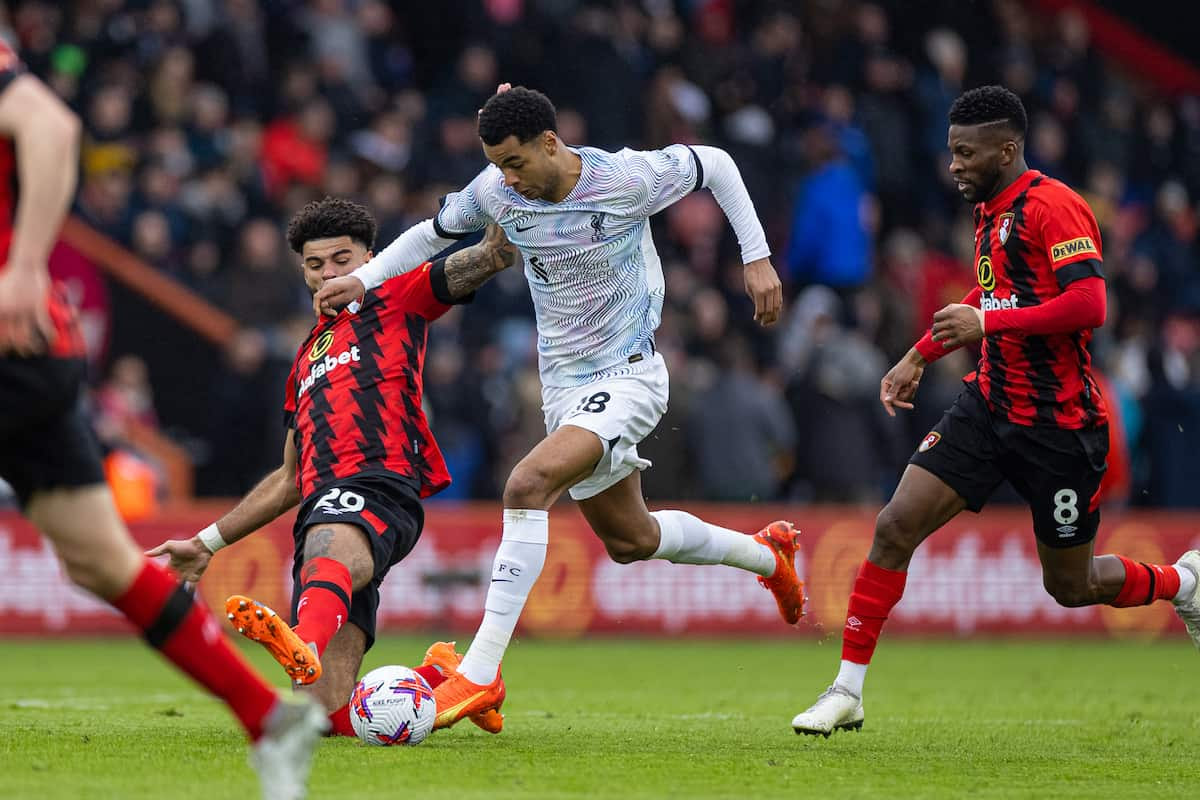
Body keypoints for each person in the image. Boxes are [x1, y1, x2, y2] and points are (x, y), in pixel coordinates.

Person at [316, 85, 805, 731]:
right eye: (496, 164)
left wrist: (757, 257)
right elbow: (429, 235)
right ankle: (769, 557)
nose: (506, 177)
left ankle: (480, 675)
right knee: (631, 538)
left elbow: (715, 162)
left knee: (527, 482)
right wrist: (365, 278)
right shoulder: (497, 191)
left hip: (629, 376)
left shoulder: (626, 177)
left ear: (552, 143)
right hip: (566, 390)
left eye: (515, 162)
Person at [790, 85, 1200, 737]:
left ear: (1006, 150)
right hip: (987, 407)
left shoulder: (1055, 206)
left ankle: (1179, 582)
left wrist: (990, 319)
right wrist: (918, 355)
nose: (952, 165)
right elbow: (989, 307)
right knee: (895, 526)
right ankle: (847, 689)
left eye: (964, 153)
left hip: (1059, 427)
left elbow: (1091, 305)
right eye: (951, 152)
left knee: (1070, 585)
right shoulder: (988, 213)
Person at [0, 40, 325, 800]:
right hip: (32, 349)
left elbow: (51, 127)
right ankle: (269, 719)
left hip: (12, 337)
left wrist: (22, 266)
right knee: (102, 562)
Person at [148, 198, 514, 736]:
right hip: (322, 511)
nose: (329, 273)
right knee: (325, 717)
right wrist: (205, 544)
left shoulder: (397, 294)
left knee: (329, 539)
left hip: (380, 484)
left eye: (342, 259)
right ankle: (443, 676)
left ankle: (304, 641)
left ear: (370, 255)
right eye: (316, 264)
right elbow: (289, 479)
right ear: (302, 270)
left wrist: (498, 206)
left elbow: (487, 257)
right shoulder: (303, 360)